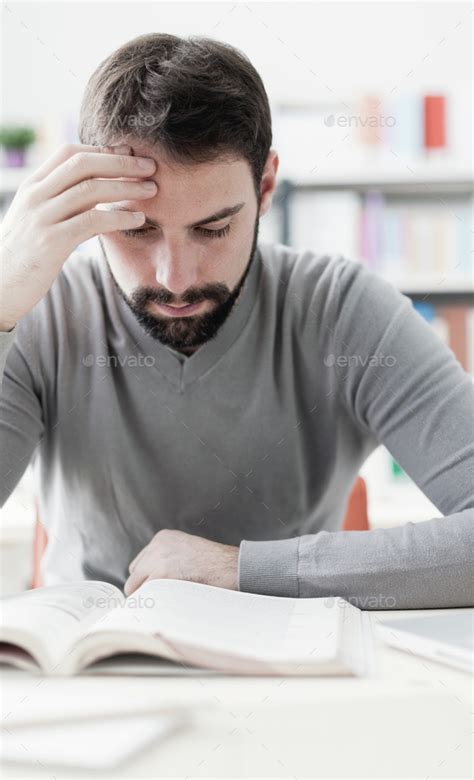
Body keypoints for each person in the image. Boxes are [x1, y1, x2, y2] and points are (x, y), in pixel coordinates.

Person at [0, 33, 472, 609]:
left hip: (299, 675)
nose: (174, 278)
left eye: (213, 228)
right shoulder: (37, 312)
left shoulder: (344, 310)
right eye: (137, 230)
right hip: (89, 680)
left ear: (266, 187)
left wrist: (241, 570)